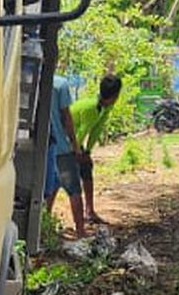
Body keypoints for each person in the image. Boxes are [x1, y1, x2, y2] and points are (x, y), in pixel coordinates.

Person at [69, 74, 122, 225]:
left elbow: (96, 130)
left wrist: (87, 151)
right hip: (66, 137)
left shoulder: (106, 106)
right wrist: (77, 152)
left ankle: (90, 211)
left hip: (76, 140)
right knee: (64, 175)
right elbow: (80, 133)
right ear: (115, 95)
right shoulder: (92, 108)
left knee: (86, 168)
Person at [45, 74, 86, 238]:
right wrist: (75, 145)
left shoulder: (30, 79)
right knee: (74, 189)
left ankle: (43, 229)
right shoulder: (60, 84)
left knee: (47, 189)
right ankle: (81, 231)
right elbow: (66, 117)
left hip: (41, 148)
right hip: (61, 146)